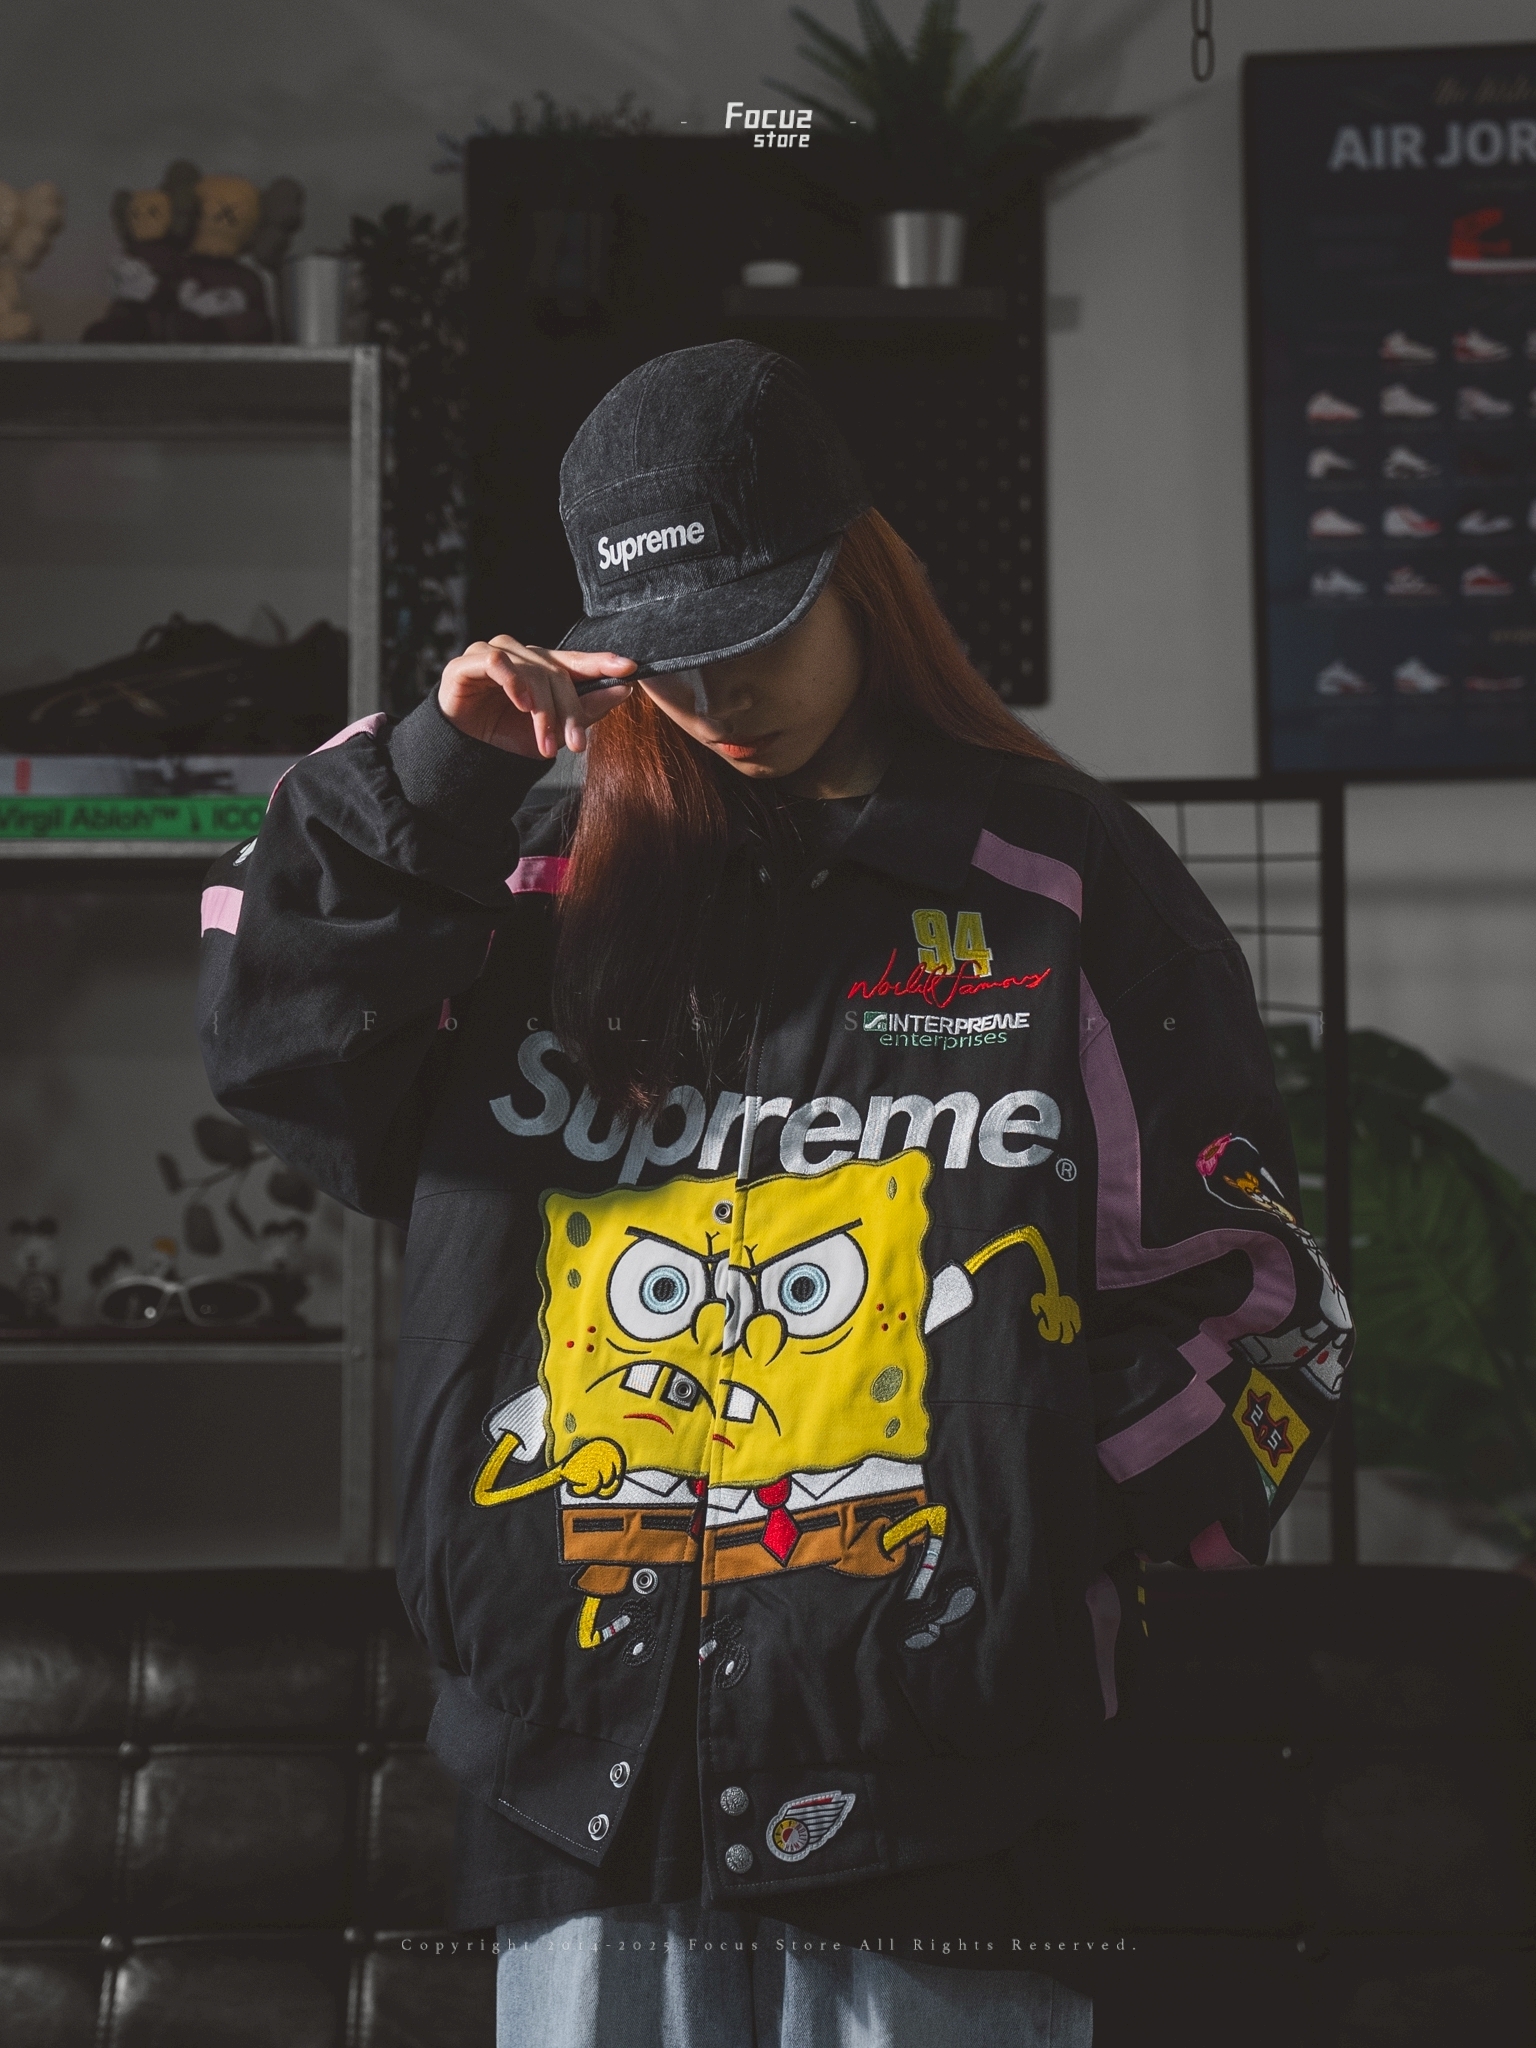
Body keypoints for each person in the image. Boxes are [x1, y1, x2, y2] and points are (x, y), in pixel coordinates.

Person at [198, 340, 1352, 2047]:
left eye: (753, 631)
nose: (717, 694)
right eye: (663, 661)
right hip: (572, 1788)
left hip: (949, 1785)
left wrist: (1022, 1530)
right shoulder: (525, 877)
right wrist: (439, 775)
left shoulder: (1060, 882)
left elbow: (1264, 1304)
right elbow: (278, 1053)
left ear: (858, 575)